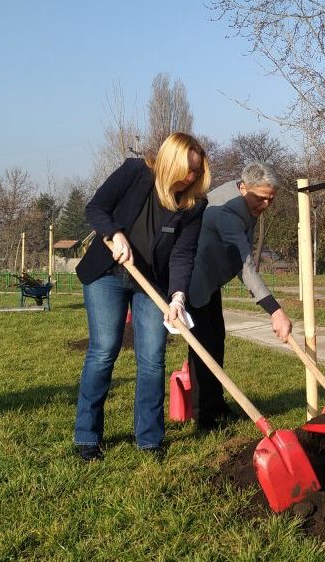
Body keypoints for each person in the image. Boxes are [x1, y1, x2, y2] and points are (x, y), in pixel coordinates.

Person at [73, 132, 210, 461]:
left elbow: (183, 255)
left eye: (196, 171)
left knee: (152, 359)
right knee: (104, 351)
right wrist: (114, 232)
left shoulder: (193, 205)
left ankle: (149, 440)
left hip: (154, 286)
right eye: (186, 169)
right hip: (108, 274)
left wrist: (177, 297)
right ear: (169, 163)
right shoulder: (135, 173)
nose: (190, 177)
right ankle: (87, 437)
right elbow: (96, 208)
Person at [186, 162, 292, 430]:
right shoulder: (228, 213)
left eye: (271, 199)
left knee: (216, 339)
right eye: (261, 198)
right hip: (195, 279)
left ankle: (215, 402)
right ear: (243, 187)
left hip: (211, 278)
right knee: (201, 346)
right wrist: (275, 311)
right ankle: (202, 416)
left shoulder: (245, 199)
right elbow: (245, 265)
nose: (265, 205)